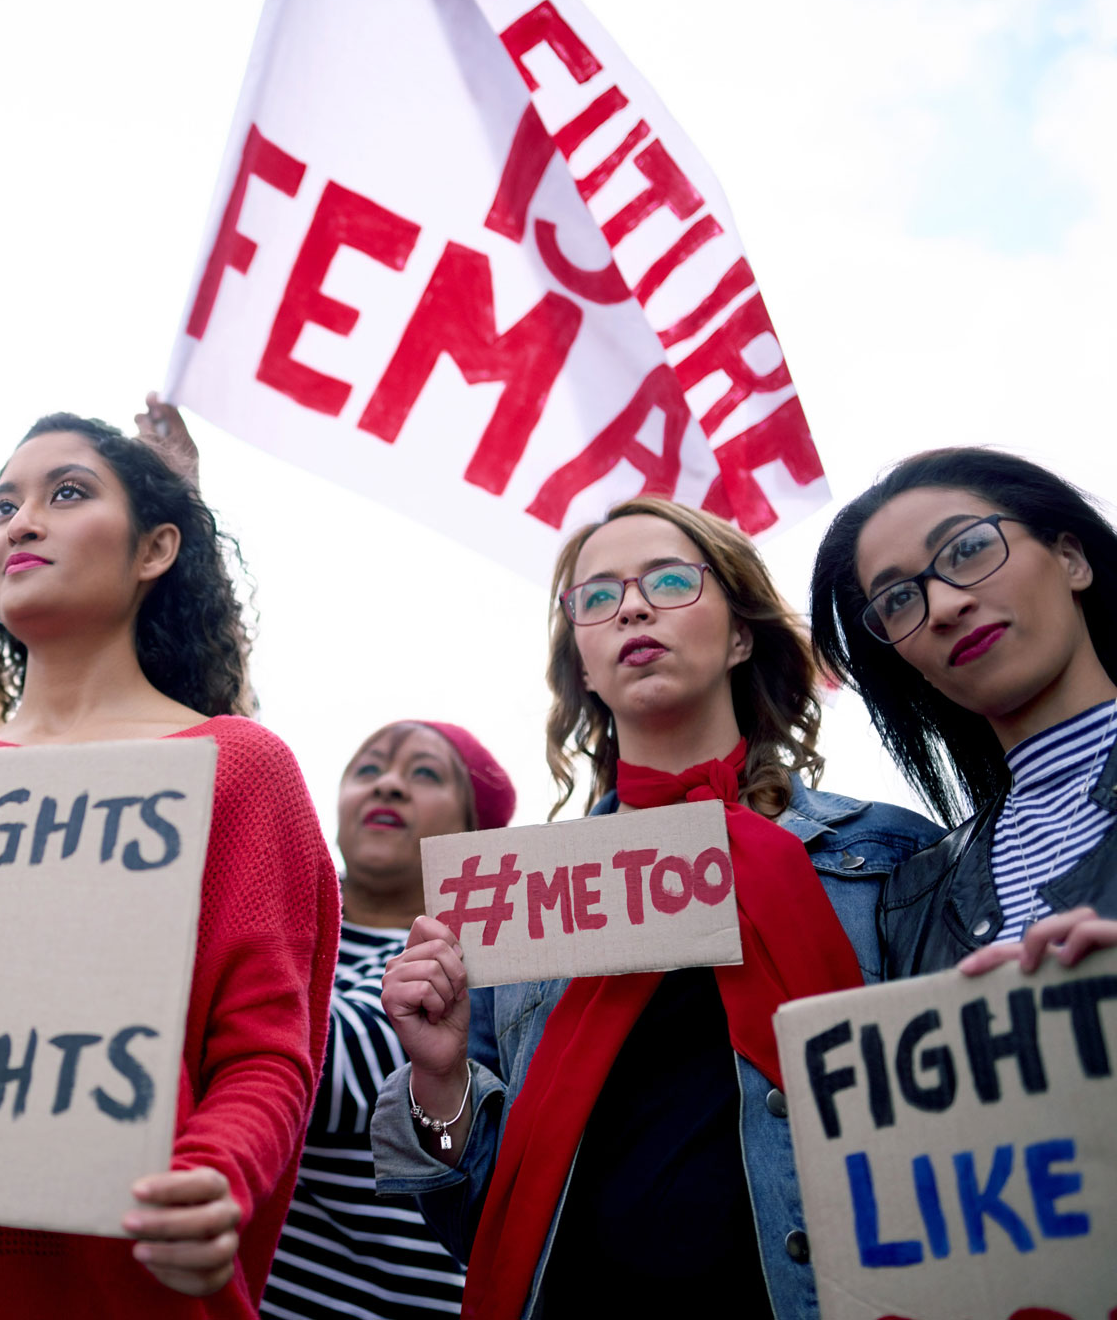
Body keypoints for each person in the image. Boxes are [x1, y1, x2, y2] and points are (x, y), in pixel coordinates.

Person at [0, 411, 337, 1317]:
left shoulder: (236, 767)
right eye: (4, 504)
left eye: (65, 494)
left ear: (157, 548)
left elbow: (266, 1054)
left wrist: (215, 1176)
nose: (20, 523)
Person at [372, 497, 941, 1320]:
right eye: (596, 599)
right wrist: (439, 1073)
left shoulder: (886, 855)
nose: (631, 606)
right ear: (586, 667)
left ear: (741, 634)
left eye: (669, 581)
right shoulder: (514, 898)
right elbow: (481, 1225)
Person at [809, 447, 1117, 976]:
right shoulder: (911, 898)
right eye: (898, 599)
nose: (946, 607)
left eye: (968, 548)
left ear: (1071, 558)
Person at [263, 719, 514, 1320]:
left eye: (424, 773)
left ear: (470, 830)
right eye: (368, 769)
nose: (389, 786)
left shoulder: (459, 962)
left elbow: (318, 1066)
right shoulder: (276, 929)